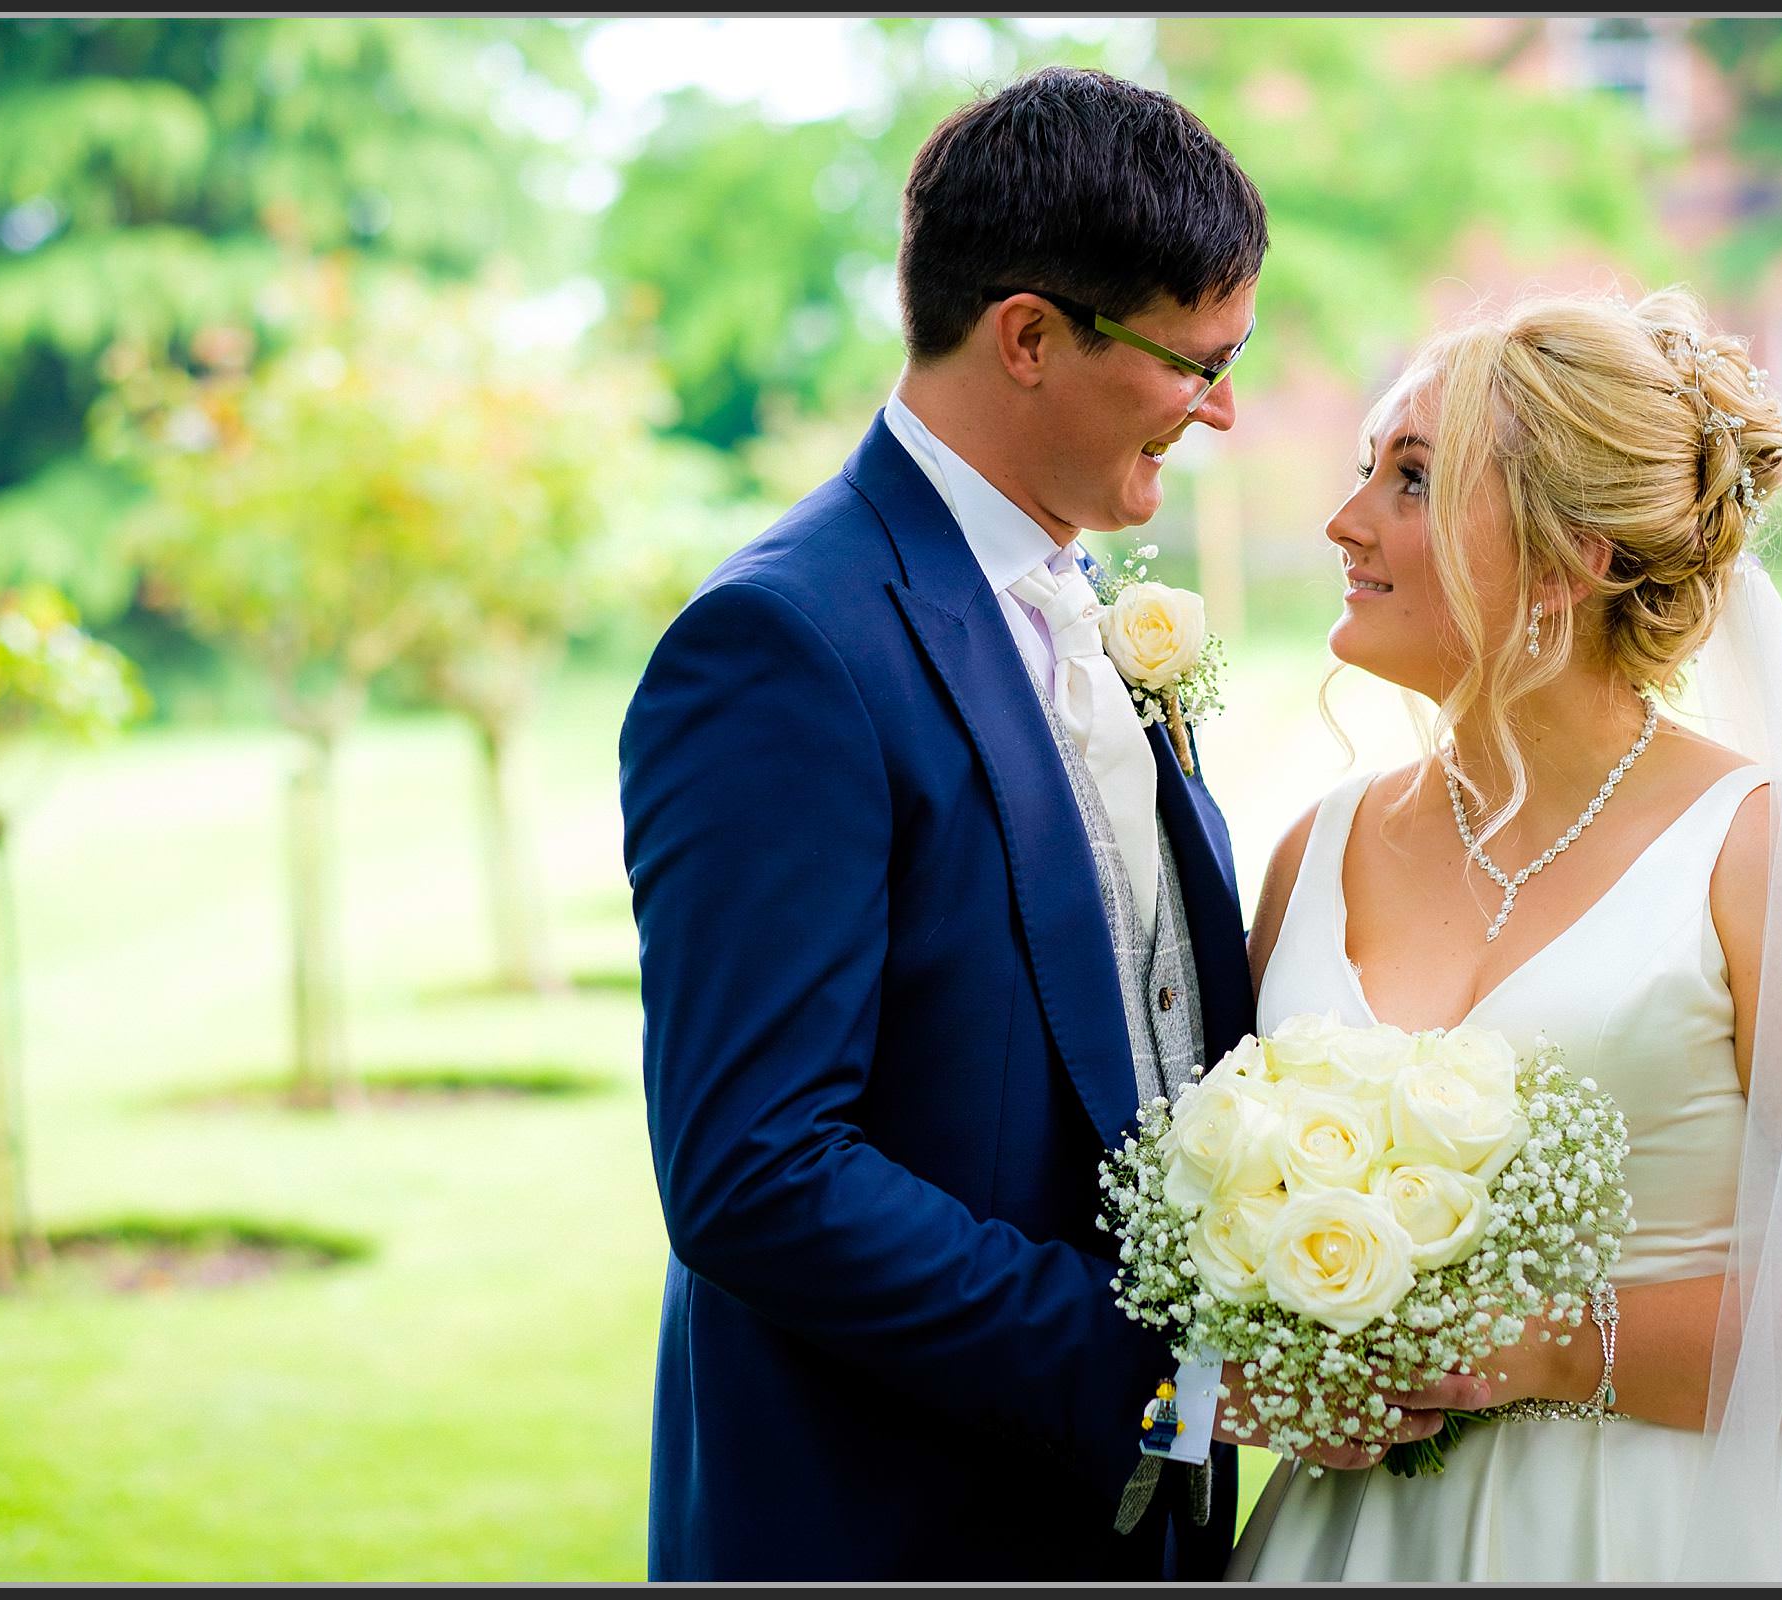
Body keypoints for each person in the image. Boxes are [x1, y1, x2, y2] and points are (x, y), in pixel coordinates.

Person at [619, 66, 1467, 1580]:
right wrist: (1167, 1375)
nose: (1222, 407)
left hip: (1137, 1528)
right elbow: (756, 1168)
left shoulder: (1088, 601)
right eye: (1193, 361)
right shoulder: (782, 644)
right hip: (896, 1523)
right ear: (1027, 336)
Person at [1220, 287, 1782, 1581]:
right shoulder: (1314, 852)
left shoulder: (1757, 851)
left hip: (1689, 1527)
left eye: (1413, 480)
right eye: (1367, 467)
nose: (1344, 519)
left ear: (1574, 555)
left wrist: (1546, 1349)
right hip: (1369, 1533)